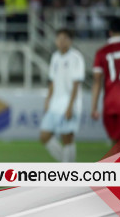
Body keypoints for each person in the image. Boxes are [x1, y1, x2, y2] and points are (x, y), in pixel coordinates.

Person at [40, 28, 85, 162]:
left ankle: (68, 171)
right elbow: (52, 81)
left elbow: (76, 83)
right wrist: (48, 100)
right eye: (59, 38)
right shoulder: (55, 57)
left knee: (67, 139)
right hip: (55, 103)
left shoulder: (76, 57)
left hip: (69, 103)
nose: (61, 41)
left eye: (65, 38)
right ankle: (70, 167)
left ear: (70, 41)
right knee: (44, 136)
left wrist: (70, 106)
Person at [92, 17, 120, 146]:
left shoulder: (101, 52)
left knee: (116, 144)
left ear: (110, 32)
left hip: (110, 104)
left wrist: (94, 107)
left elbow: (96, 82)